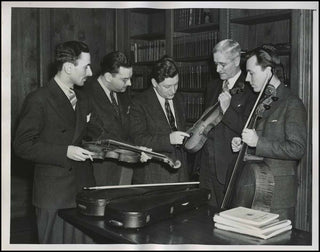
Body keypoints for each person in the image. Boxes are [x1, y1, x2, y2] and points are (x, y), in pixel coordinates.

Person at [13, 40, 100, 244]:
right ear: (69, 67)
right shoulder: (39, 99)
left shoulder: (84, 98)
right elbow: (22, 145)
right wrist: (65, 152)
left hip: (83, 192)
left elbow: (86, 135)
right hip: (54, 197)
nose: (90, 72)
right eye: (86, 66)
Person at [231, 45, 307, 221]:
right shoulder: (261, 100)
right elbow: (260, 138)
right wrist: (244, 145)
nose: (248, 79)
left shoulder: (291, 102)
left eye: (251, 73)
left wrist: (258, 143)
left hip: (277, 195)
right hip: (254, 186)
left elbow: (297, 149)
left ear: (269, 71)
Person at [197, 39, 257, 207]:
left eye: (222, 64)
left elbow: (249, 129)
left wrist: (227, 111)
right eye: (215, 64)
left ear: (237, 61)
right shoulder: (212, 86)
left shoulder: (251, 88)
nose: (217, 69)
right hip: (206, 167)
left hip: (229, 167)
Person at [129, 56, 190, 183]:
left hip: (181, 174)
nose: (173, 91)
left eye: (176, 84)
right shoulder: (139, 102)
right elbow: (137, 139)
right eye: (167, 87)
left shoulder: (180, 99)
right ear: (154, 83)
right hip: (153, 176)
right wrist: (169, 139)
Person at [84, 51, 136, 185]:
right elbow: (94, 134)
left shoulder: (123, 92)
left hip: (125, 168)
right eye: (124, 79)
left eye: (130, 78)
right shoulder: (85, 94)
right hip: (99, 171)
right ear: (108, 76)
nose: (129, 83)